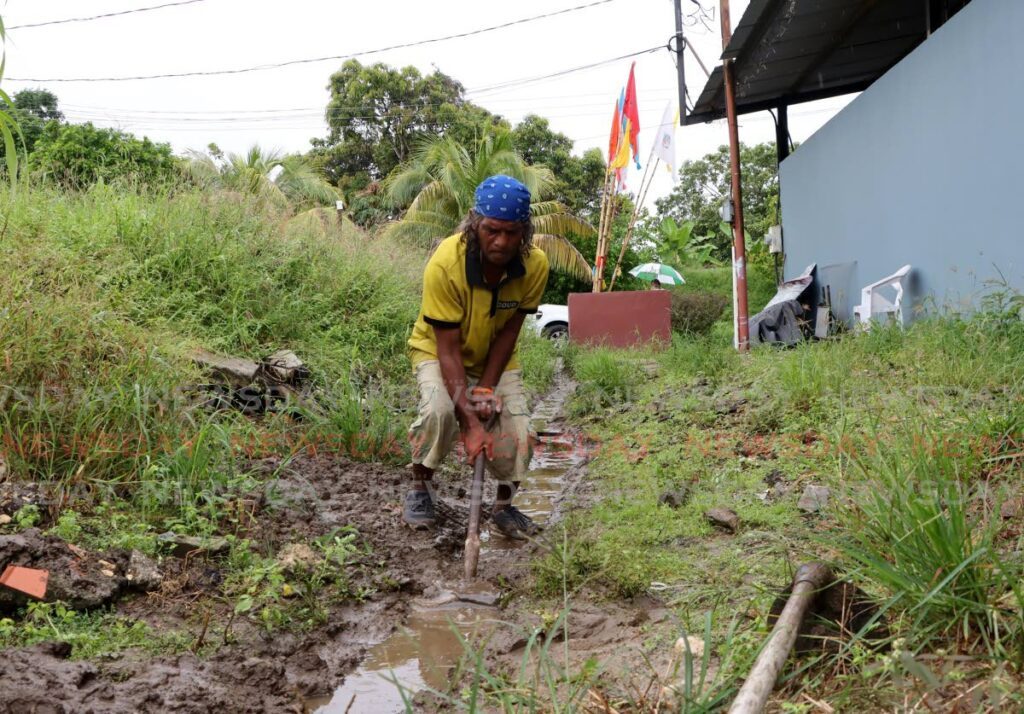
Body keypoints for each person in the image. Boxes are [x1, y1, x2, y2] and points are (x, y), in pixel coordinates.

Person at [404, 175, 549, 540]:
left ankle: (503, 508)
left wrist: (485, 388)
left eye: (512, 233)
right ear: (474, 225)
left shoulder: (535, 266)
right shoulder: (445, 264)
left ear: (525, 232)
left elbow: (509, 333)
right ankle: (421, 489)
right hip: (438, 352)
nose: (501, 242)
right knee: (439, 410)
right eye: (491, 230)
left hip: (495, 357)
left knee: (518, 430)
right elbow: (447, 349)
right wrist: (470, 424)